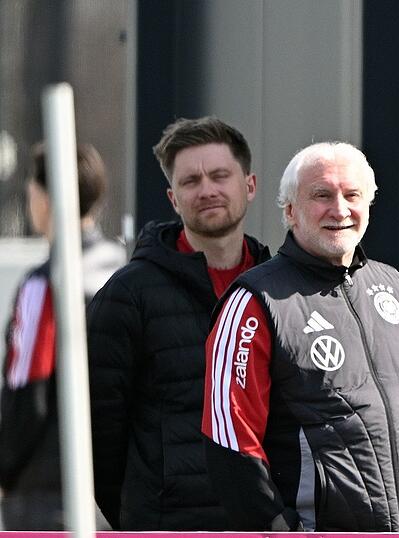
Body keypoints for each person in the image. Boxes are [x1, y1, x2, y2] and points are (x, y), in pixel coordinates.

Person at [201, 141, 399, 532]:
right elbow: (230, 438)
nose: (339, 210)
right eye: (321, 195)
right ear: (290, 210)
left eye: (352, 195)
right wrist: (279, 528)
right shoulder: (254, 300)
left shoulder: (395, 286)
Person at [86, 117, 271, 530]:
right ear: (173, 198)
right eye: (190, 181)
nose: (206, 190)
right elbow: (97, 432)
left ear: (250, 185)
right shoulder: (127, 295)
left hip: (265, 524)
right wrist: (141, 516)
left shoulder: (278, 291)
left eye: (220, 175)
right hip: (167, 526)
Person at [0, 143, 125, 530]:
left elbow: (27, 391)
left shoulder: (46, 284)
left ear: (46, 195)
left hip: (47, 492)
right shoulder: (123, 269)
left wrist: (5, 468)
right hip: (112, 493)